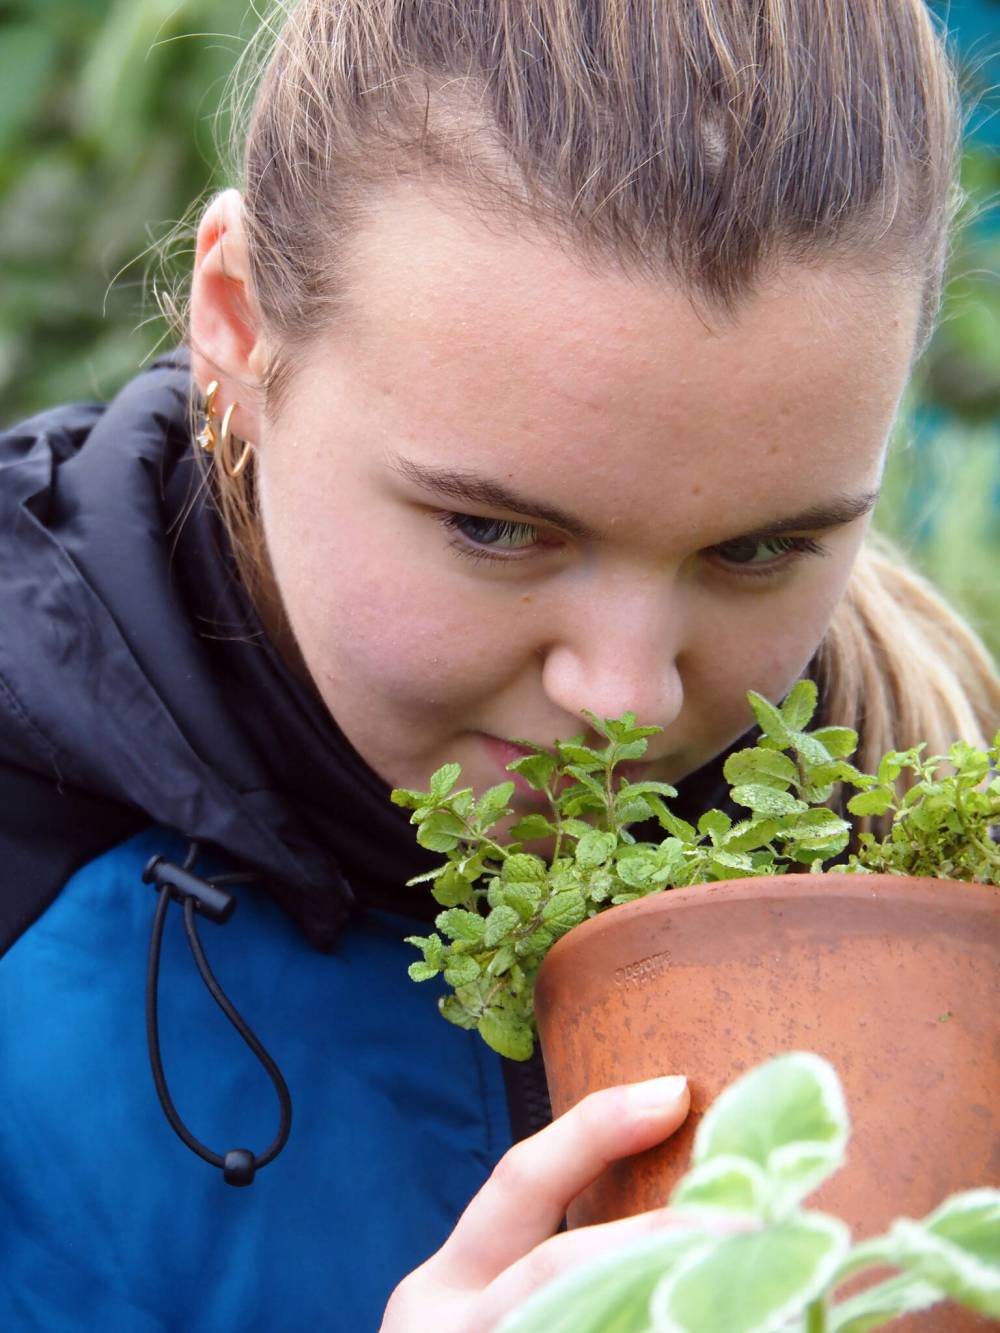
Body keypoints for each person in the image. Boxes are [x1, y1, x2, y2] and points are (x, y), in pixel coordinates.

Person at [1, 1, 998, 1329]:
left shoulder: (929, 830)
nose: (627, 695)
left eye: (760, 547)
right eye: (496, 528)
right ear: (239, 325)